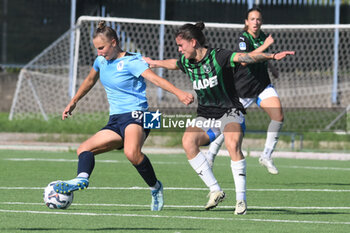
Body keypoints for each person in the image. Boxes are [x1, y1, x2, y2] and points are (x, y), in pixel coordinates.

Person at [144, 22, 294, 215]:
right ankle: (215, 190)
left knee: (232, 144)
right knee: (188, 141)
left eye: (181, 45)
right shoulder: (187, 61)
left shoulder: (218, 56)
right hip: (207, 115)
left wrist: (272, 56)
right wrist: (155, 63)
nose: (179, 49)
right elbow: (174, 63)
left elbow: (245, 57)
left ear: (193, 42)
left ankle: (241, 200)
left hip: (230, 111)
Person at [54, 20, 194, 211]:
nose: (99, 52)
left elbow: (155, 79)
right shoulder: (101, 61)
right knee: (84, 150)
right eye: (96, 49)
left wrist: (179, 93)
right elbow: (89, 80)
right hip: (116, 119)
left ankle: (156, 187)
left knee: (131, 153)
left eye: (102, 47)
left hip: (139, 114)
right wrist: (74, 101)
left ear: (114, 42)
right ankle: (82, 179)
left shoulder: (131, 62)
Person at [206, 7, 284, 175]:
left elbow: (262, 56)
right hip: (243, 89)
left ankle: (266, 156)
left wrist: (271, 66)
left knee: (278, 116)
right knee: (228, 124)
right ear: (246, 22)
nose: (256, 22)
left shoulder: (263, 36)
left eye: (258, 19)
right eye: (252, 19)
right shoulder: (243, 37)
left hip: (262, 86)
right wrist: (265, 47)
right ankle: (210, 155)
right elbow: (244, 60)